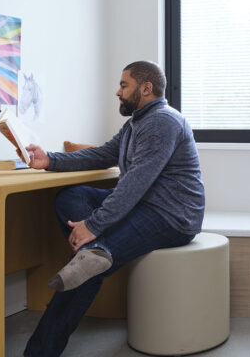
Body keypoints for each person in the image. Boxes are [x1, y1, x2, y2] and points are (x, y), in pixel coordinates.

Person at [21, 61, 205, 357]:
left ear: (146, 88)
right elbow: (102, 154)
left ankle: (39, 352)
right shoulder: (136, 123)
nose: (117, 91)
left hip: (172, 216)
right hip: (145, 207)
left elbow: (134, 183)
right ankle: (91, 254)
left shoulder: (163, 122)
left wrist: (93, 226)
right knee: (70, 196)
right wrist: (50, 160)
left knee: (86, 272)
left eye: (124, 85)